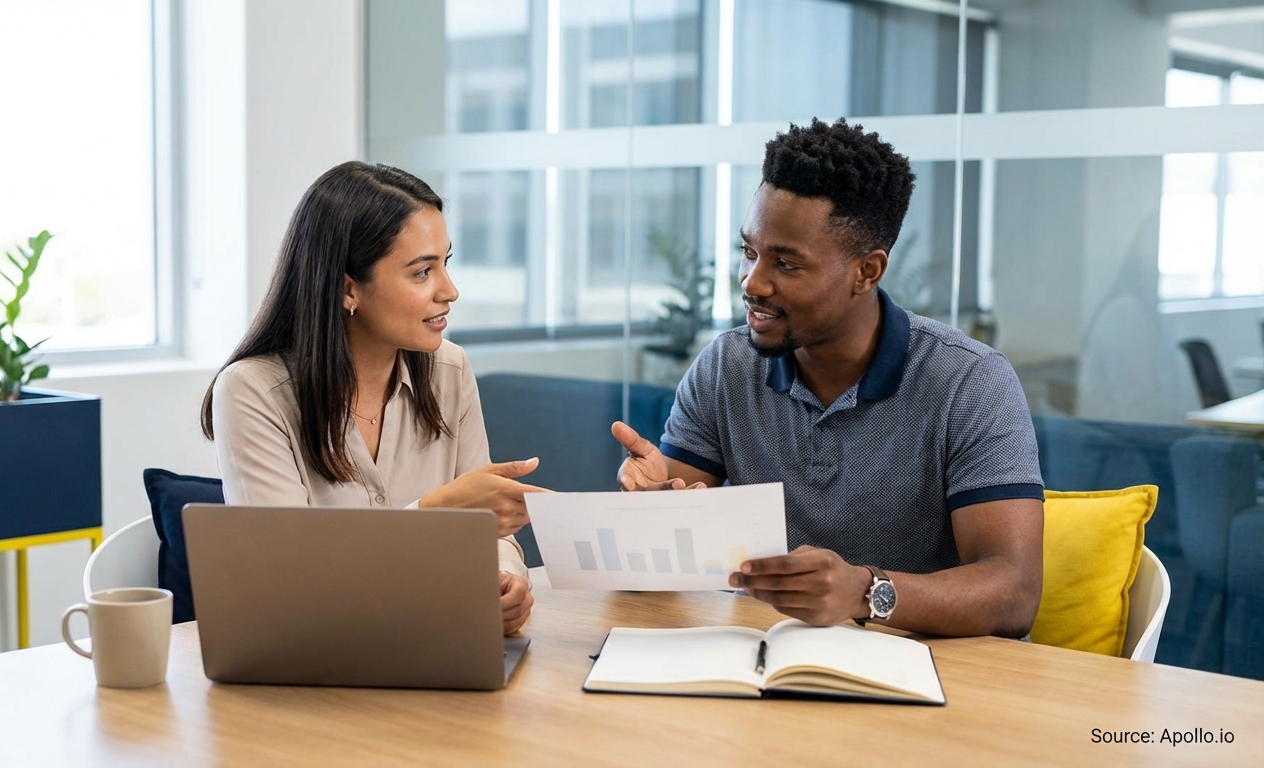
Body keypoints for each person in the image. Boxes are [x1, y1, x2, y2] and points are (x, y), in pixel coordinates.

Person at [613, 119, 1045, 639]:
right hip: (766, 663)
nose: (753, 283)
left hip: (931, 679)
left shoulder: (970, 382)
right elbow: (656, 559)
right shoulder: (727, 367)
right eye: (750, 252)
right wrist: (648, 509)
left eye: (787, 264)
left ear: (867, 271)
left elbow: (1014, 593)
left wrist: (863, 592)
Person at [201, 161, 540, 634]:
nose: (450, 291)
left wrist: (506, 581)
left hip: (432, 637)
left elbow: (488, 531)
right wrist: (434, 516)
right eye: (422, 272)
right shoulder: (252, 392)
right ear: (347, 289)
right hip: (316, 662)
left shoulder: (451, 371)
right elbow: (286, 583)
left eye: (446, 263)